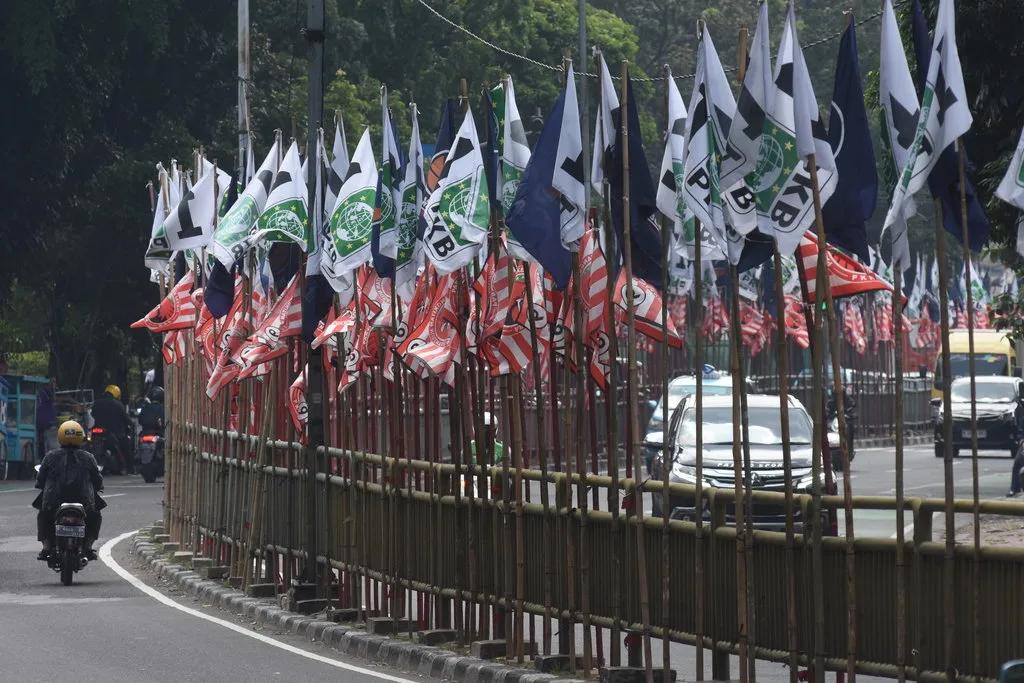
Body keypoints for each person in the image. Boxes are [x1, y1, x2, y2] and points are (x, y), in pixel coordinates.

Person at [33, 420, 105, 561]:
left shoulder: (50, 456)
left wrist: (41, 485)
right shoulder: (88, 457)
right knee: (95, 516)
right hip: (84, 502)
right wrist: (97, 488)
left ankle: (46, 547)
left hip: (53, 502)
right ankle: (88, 547)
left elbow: (40, 478)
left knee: (43, 516)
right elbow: (97, 479)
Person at [90, 384, 132, 473]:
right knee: (126, 446)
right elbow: (125, 418)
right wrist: (130, 423)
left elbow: (92, 414)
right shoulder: (118, 404)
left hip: (98, 430)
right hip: (115, 432)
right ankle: (129, 467)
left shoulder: (97, 402)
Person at [36, 378, 59, 461]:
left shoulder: (41, 393)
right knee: (52, 444)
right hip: (47, 422)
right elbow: (54, 399)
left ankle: (42, 458)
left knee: (41, 442)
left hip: (41, 422)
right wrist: (69, 399)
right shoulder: (46, 391)